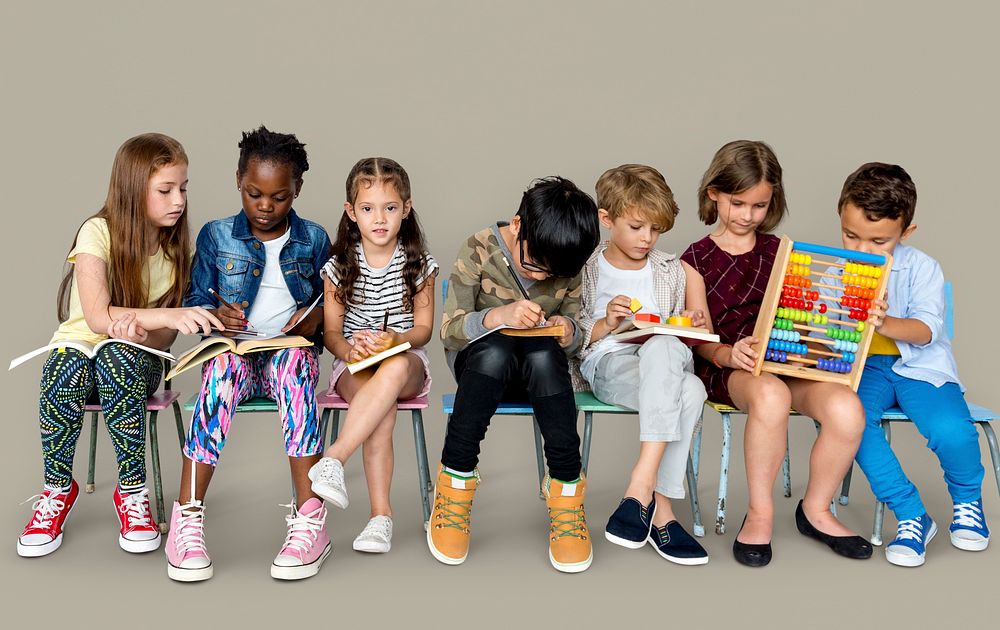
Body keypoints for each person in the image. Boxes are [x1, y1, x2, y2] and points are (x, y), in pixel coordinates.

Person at [18, 133, 223, 558]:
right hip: (78, 355)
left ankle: (132, 494)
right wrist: (163, 316)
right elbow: (97, 316)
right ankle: (56, 490)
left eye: (183, 188)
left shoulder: (175, 249)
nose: (179, 200)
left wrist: (142, 331)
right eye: (165, 190)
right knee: (66, 365)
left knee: (116, 355)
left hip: (134, 364)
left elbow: (164, 337)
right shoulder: (96, 232)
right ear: (133, 190)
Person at [681, 140, 871, 567]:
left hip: (789, 362)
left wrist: (829, 324)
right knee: (770, 395)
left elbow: (804, 318)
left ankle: (816, 509)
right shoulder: (695, 258)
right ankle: (760, 511)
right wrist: (730, 354)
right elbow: (701, 339)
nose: (747, 215)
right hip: (733, 367)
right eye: (737, 203)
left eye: (759, 205)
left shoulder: (782, 252)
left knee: (846, 408)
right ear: (714, 193)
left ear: (773, 202)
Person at [164, 126, 332, 582]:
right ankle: (188, 518)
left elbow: (331, 306)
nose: (265, 206)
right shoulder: (217, 237)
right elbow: (193, 302)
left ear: (297, 188)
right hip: (236, 354)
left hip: (286, 357)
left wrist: (312, 321)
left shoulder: (314, 240)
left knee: (298, 366)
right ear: (238, 179)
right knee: (220, 367)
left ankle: (310, 521)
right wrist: (215, 313)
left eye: (279, 197)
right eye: (254, 193)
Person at [431, 176, 600, 572]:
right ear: (518, 225)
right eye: (534, 267)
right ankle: (454, 486)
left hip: (542, 379)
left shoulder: (565, 261)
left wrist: (567, 331)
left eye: (553, 273)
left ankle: (567, 496)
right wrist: (498, 316)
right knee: (496, 349)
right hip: (481, 372)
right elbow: (449, 330)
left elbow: (575, 337)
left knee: (543, 352)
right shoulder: (479, 248)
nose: (542, 278)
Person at [835, 162, 989, 566]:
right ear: (841, 218)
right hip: (865, 369)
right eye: (851, 235)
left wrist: (884, 322)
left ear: (905, 233)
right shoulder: (834, 269)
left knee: (951, 430)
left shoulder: (922, 267)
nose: (862, 250)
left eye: (879, 241)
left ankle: (968, 502)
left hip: (920, 366)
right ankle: (911, 513)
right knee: (847, 425)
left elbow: (926, 330)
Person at [577, 164, 709, 565]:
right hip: (611, 363)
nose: (647, 239)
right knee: (692, 392)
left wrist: (693, 322)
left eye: (655, 229)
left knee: (667, 348)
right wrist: (608, 322)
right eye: (637, 227)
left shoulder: (674, 270)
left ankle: (639, 491)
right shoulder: (585, 268)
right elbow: (572, 332)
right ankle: (662, 510)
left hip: (665, 361)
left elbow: (698, 332)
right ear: (607, 219)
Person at [309, 157, 438, 554]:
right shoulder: (339, 266)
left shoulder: (418, 265)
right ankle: (380, 517)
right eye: (367, 209)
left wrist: (393, 340)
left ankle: (334, 457)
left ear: (406, 208)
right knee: (380, 409)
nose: (379, 218)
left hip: (406, 362)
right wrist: (351, 349)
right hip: (355, 365)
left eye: (390, 208)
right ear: (351, 212)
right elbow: (331, 332)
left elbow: (424, 331)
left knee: (395, 366)